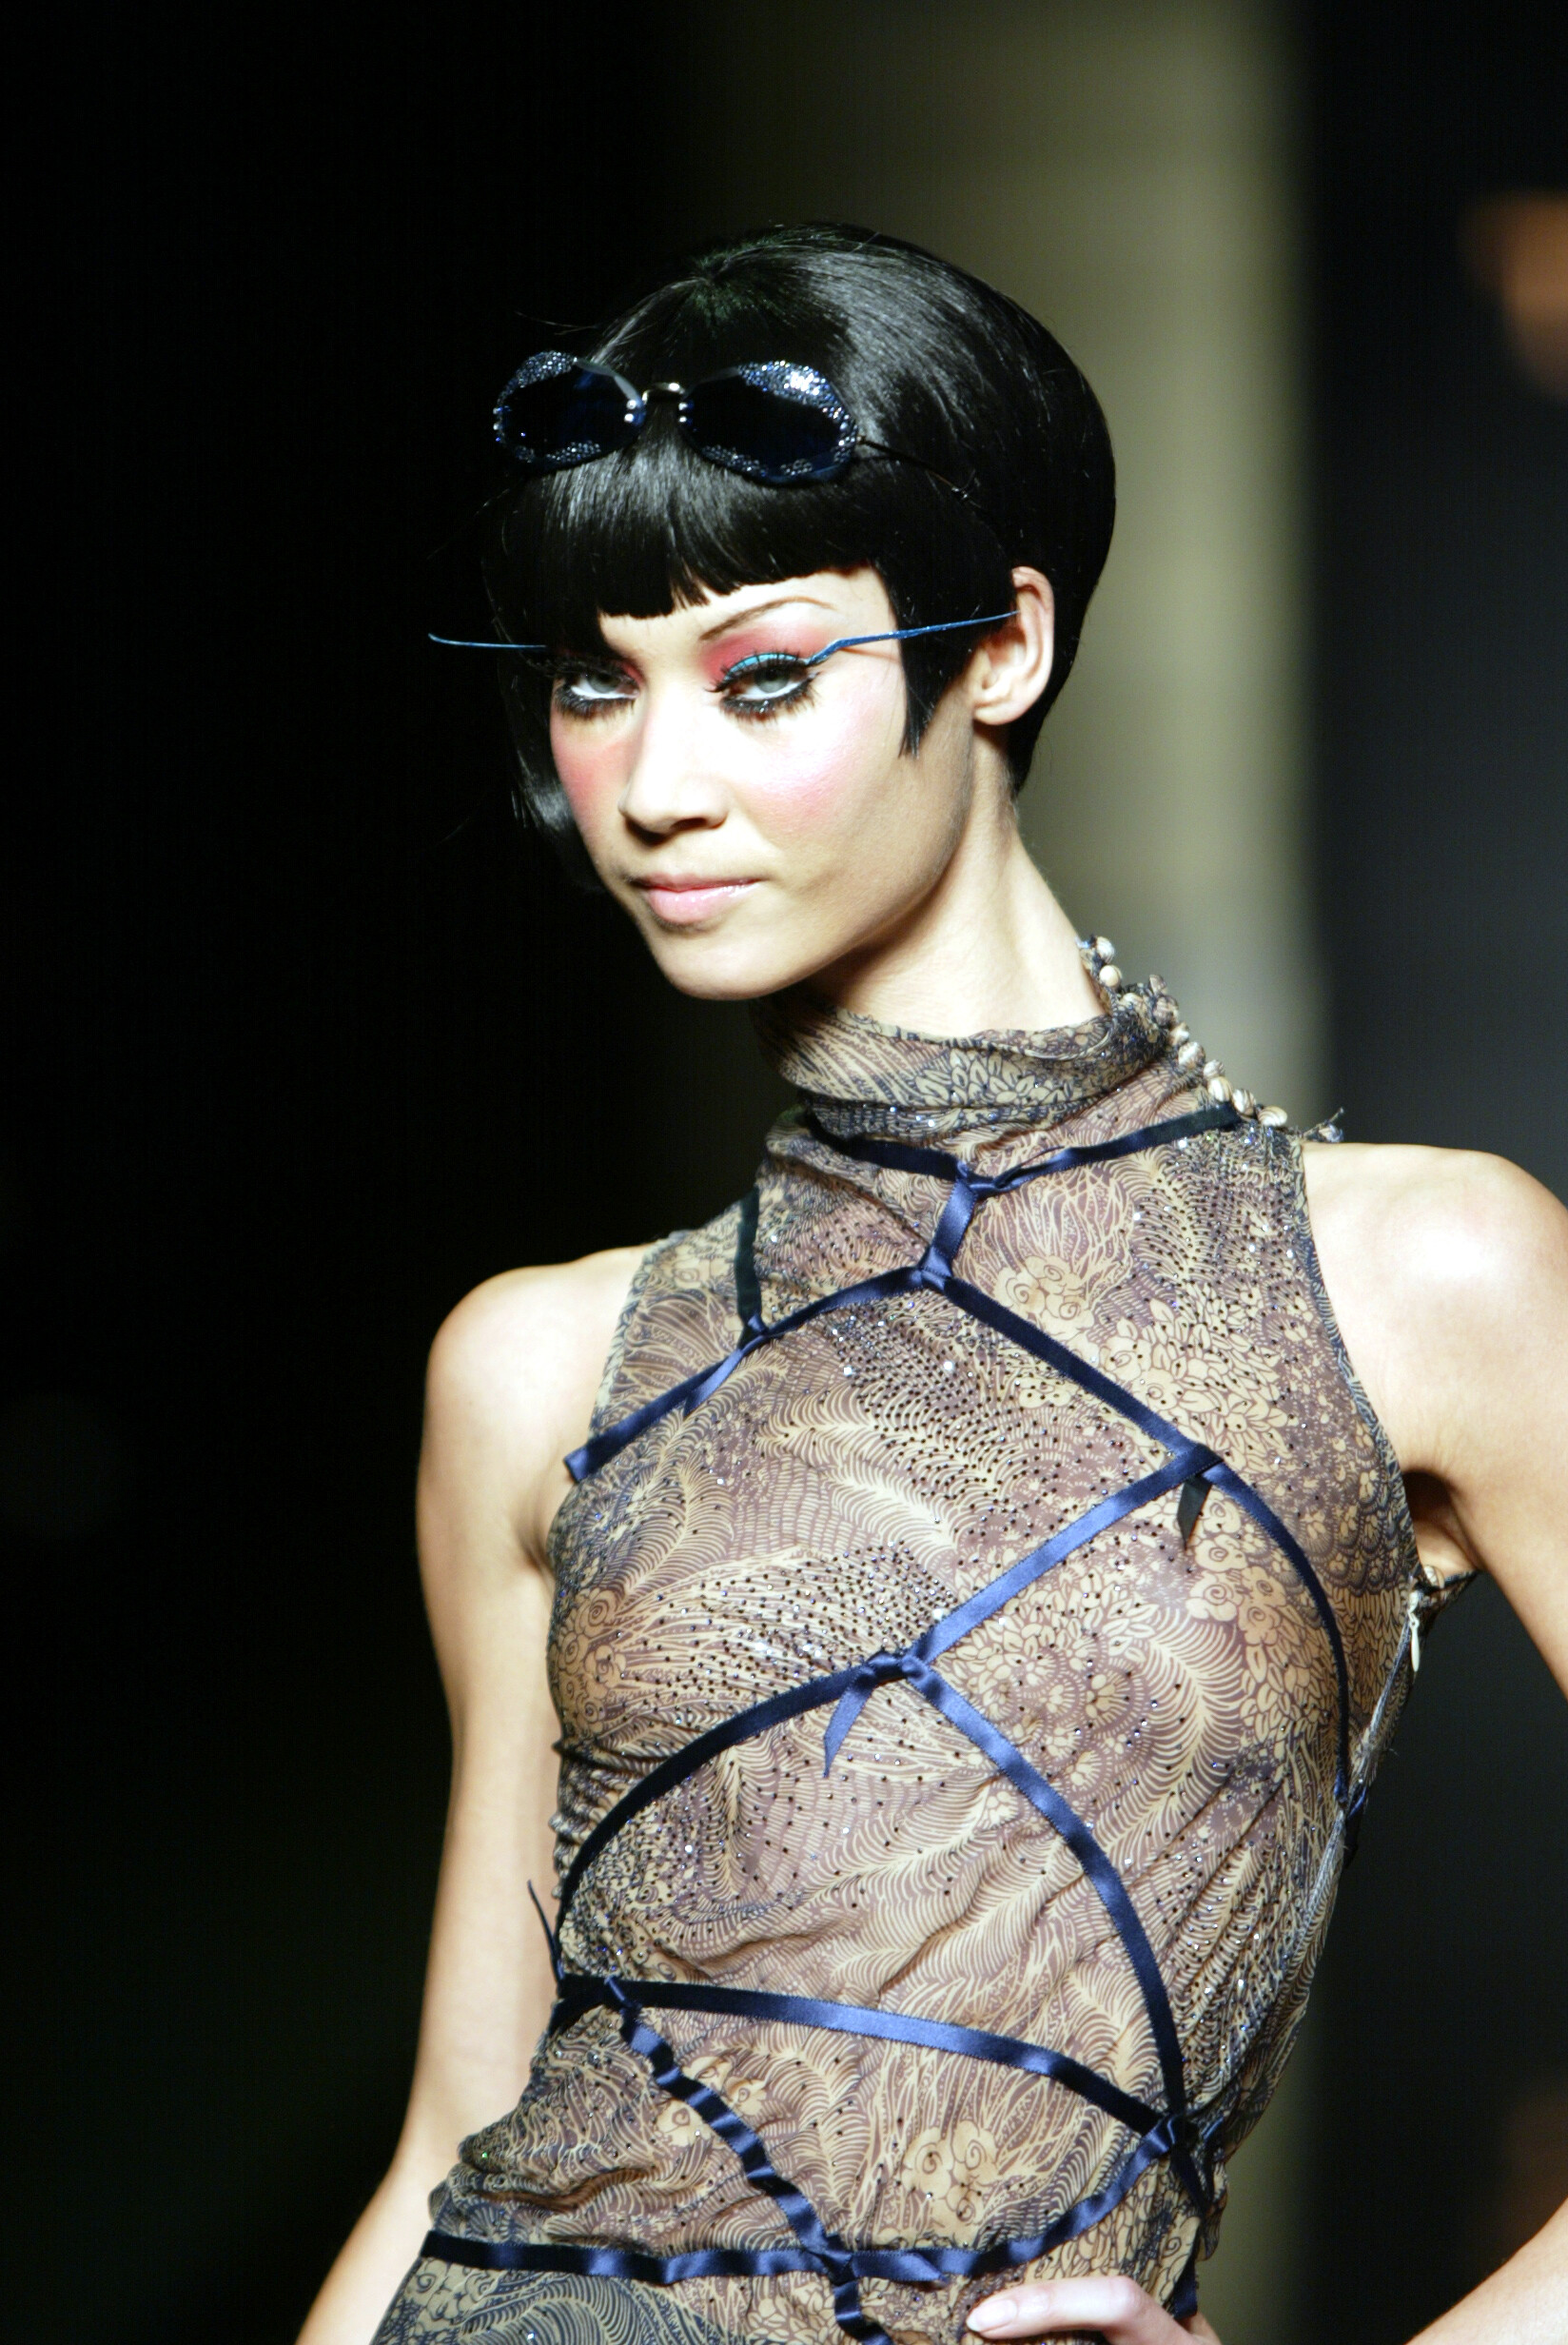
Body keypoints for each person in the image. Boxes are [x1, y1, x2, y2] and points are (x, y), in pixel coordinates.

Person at [300, 227, 1568, 2345]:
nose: (653, 786)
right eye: (594, 680)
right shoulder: (536, 1364)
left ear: (1001, 648)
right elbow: (455, 2127)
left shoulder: (1410, 1275)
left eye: (763, 677)